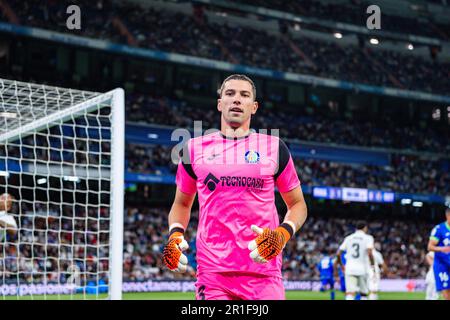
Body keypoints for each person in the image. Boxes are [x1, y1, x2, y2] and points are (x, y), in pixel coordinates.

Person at [162, 74, 308, 300]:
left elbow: (298, 205)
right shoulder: (192, 150)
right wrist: (174, 237)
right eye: (230, 94)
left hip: (264, 273)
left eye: (244, 95)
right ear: (220, 103)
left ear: (254, 106)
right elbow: (181, 203)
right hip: (213, 275)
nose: (237, 100)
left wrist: (281, 235)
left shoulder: (274, 148)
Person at [336, 222, 375, 300]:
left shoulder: (349, 238)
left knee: (350, 293)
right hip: (362, 268)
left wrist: (341, 265)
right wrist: (372, 264)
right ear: (365, 228)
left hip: (349, 268)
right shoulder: (368, 238)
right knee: (363, 293)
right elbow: (370, 253)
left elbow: (338, 254)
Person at [427, 207, 450, 300]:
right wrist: (443, 249)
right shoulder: (439, 229)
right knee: (447, 291)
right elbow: (430, 247)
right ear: (447, 215)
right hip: (442, 266)